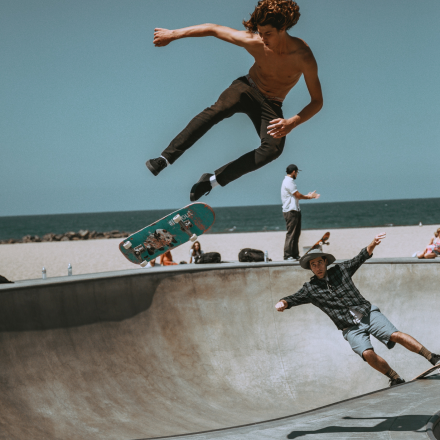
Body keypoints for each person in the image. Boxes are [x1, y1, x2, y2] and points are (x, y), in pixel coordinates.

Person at [146, 0, 323, 201]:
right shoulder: (255, 42)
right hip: (246, 88)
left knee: (272, 149)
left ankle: (211, 181)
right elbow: (213, 29)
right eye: (260, 33)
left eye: (268, 34)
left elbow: (317, 100)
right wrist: (173, 34)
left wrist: (293, 122)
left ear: (282, 29)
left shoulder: (303, 56)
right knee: (217, 110)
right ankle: (164, 159)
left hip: (272, 103)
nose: (263, 39)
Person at [275, 232, 440, 386]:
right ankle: (395, 378)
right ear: (310, 268)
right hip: (349, 327)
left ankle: (432, 357)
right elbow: (293, 298)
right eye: (313, 264)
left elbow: (360, 257)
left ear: (325, 262)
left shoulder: (341, 270)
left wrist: (373, 244)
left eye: (319, 262)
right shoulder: (310, 288)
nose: (317, 267)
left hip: (368, 314)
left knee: (395, 335)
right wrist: (283, 302)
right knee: (367, 354)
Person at [281, 163, 320, 260]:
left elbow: (296, 196)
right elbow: (297, 195)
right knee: (291, 233)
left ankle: (294, 254)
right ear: (294, 172)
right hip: (291, 211)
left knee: (296, 234)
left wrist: (308, 195)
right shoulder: (289, 182)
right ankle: (288, 255)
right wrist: (309, 197)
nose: (297, 175)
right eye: (297, 173)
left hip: (295, 210)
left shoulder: (288, 181)